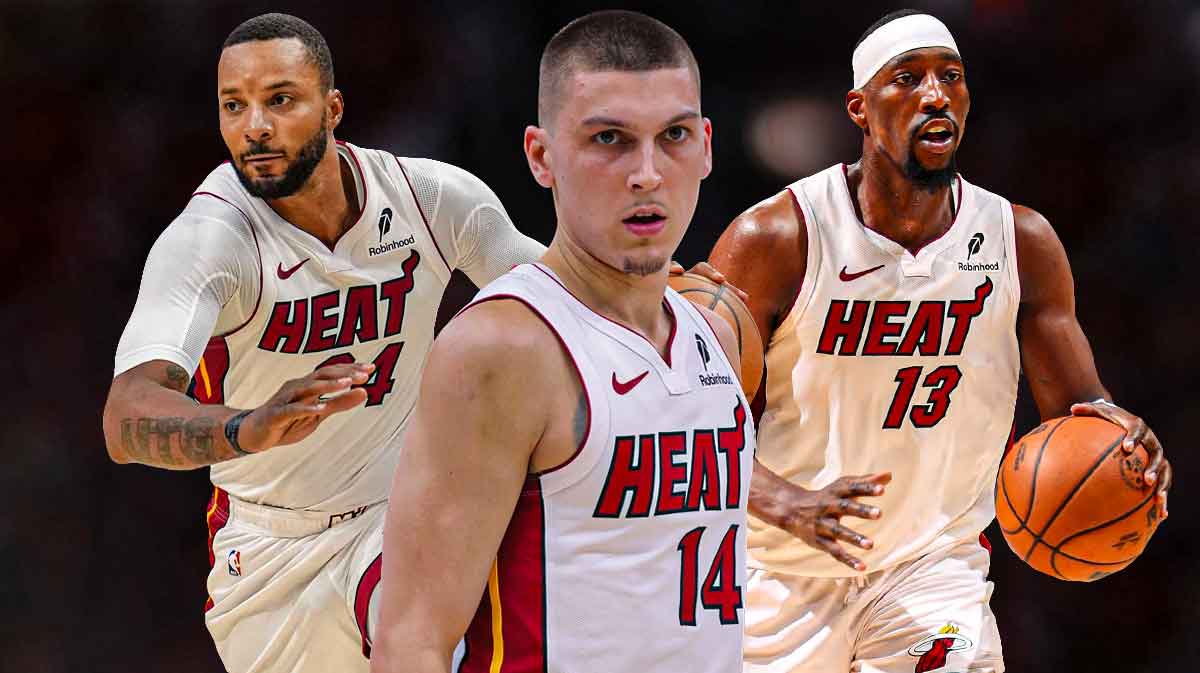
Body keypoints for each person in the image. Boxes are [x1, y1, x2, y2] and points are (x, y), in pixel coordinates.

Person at [707, 10, 1173, 673]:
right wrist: (787, 500)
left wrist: (1128, 444)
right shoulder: (776, 239)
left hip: (932, 572)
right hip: (780, 572)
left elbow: (1081, 411)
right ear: (860, 109)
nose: (934, 94)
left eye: (950, 77)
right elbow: (688, 423)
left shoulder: (1021, 243)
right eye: (908, 78)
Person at [100, 13, 547, 673]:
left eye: (279, 99)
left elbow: (566, 302)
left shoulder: (431, 199)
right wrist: (249, 426)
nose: (254, 126)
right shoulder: (211, 238)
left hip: (396, 520)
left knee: (444, 634)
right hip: (267, 552)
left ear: (333, 108)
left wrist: (668, 293)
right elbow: (126, 414)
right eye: (234, 106)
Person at [370, 11, 757, 673]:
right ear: (542, 157)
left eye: (674, 136)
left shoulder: (717, 336)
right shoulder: (502, 348)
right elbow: (411, 641)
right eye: (610, 138)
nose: (647, 173)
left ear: (708, 146)